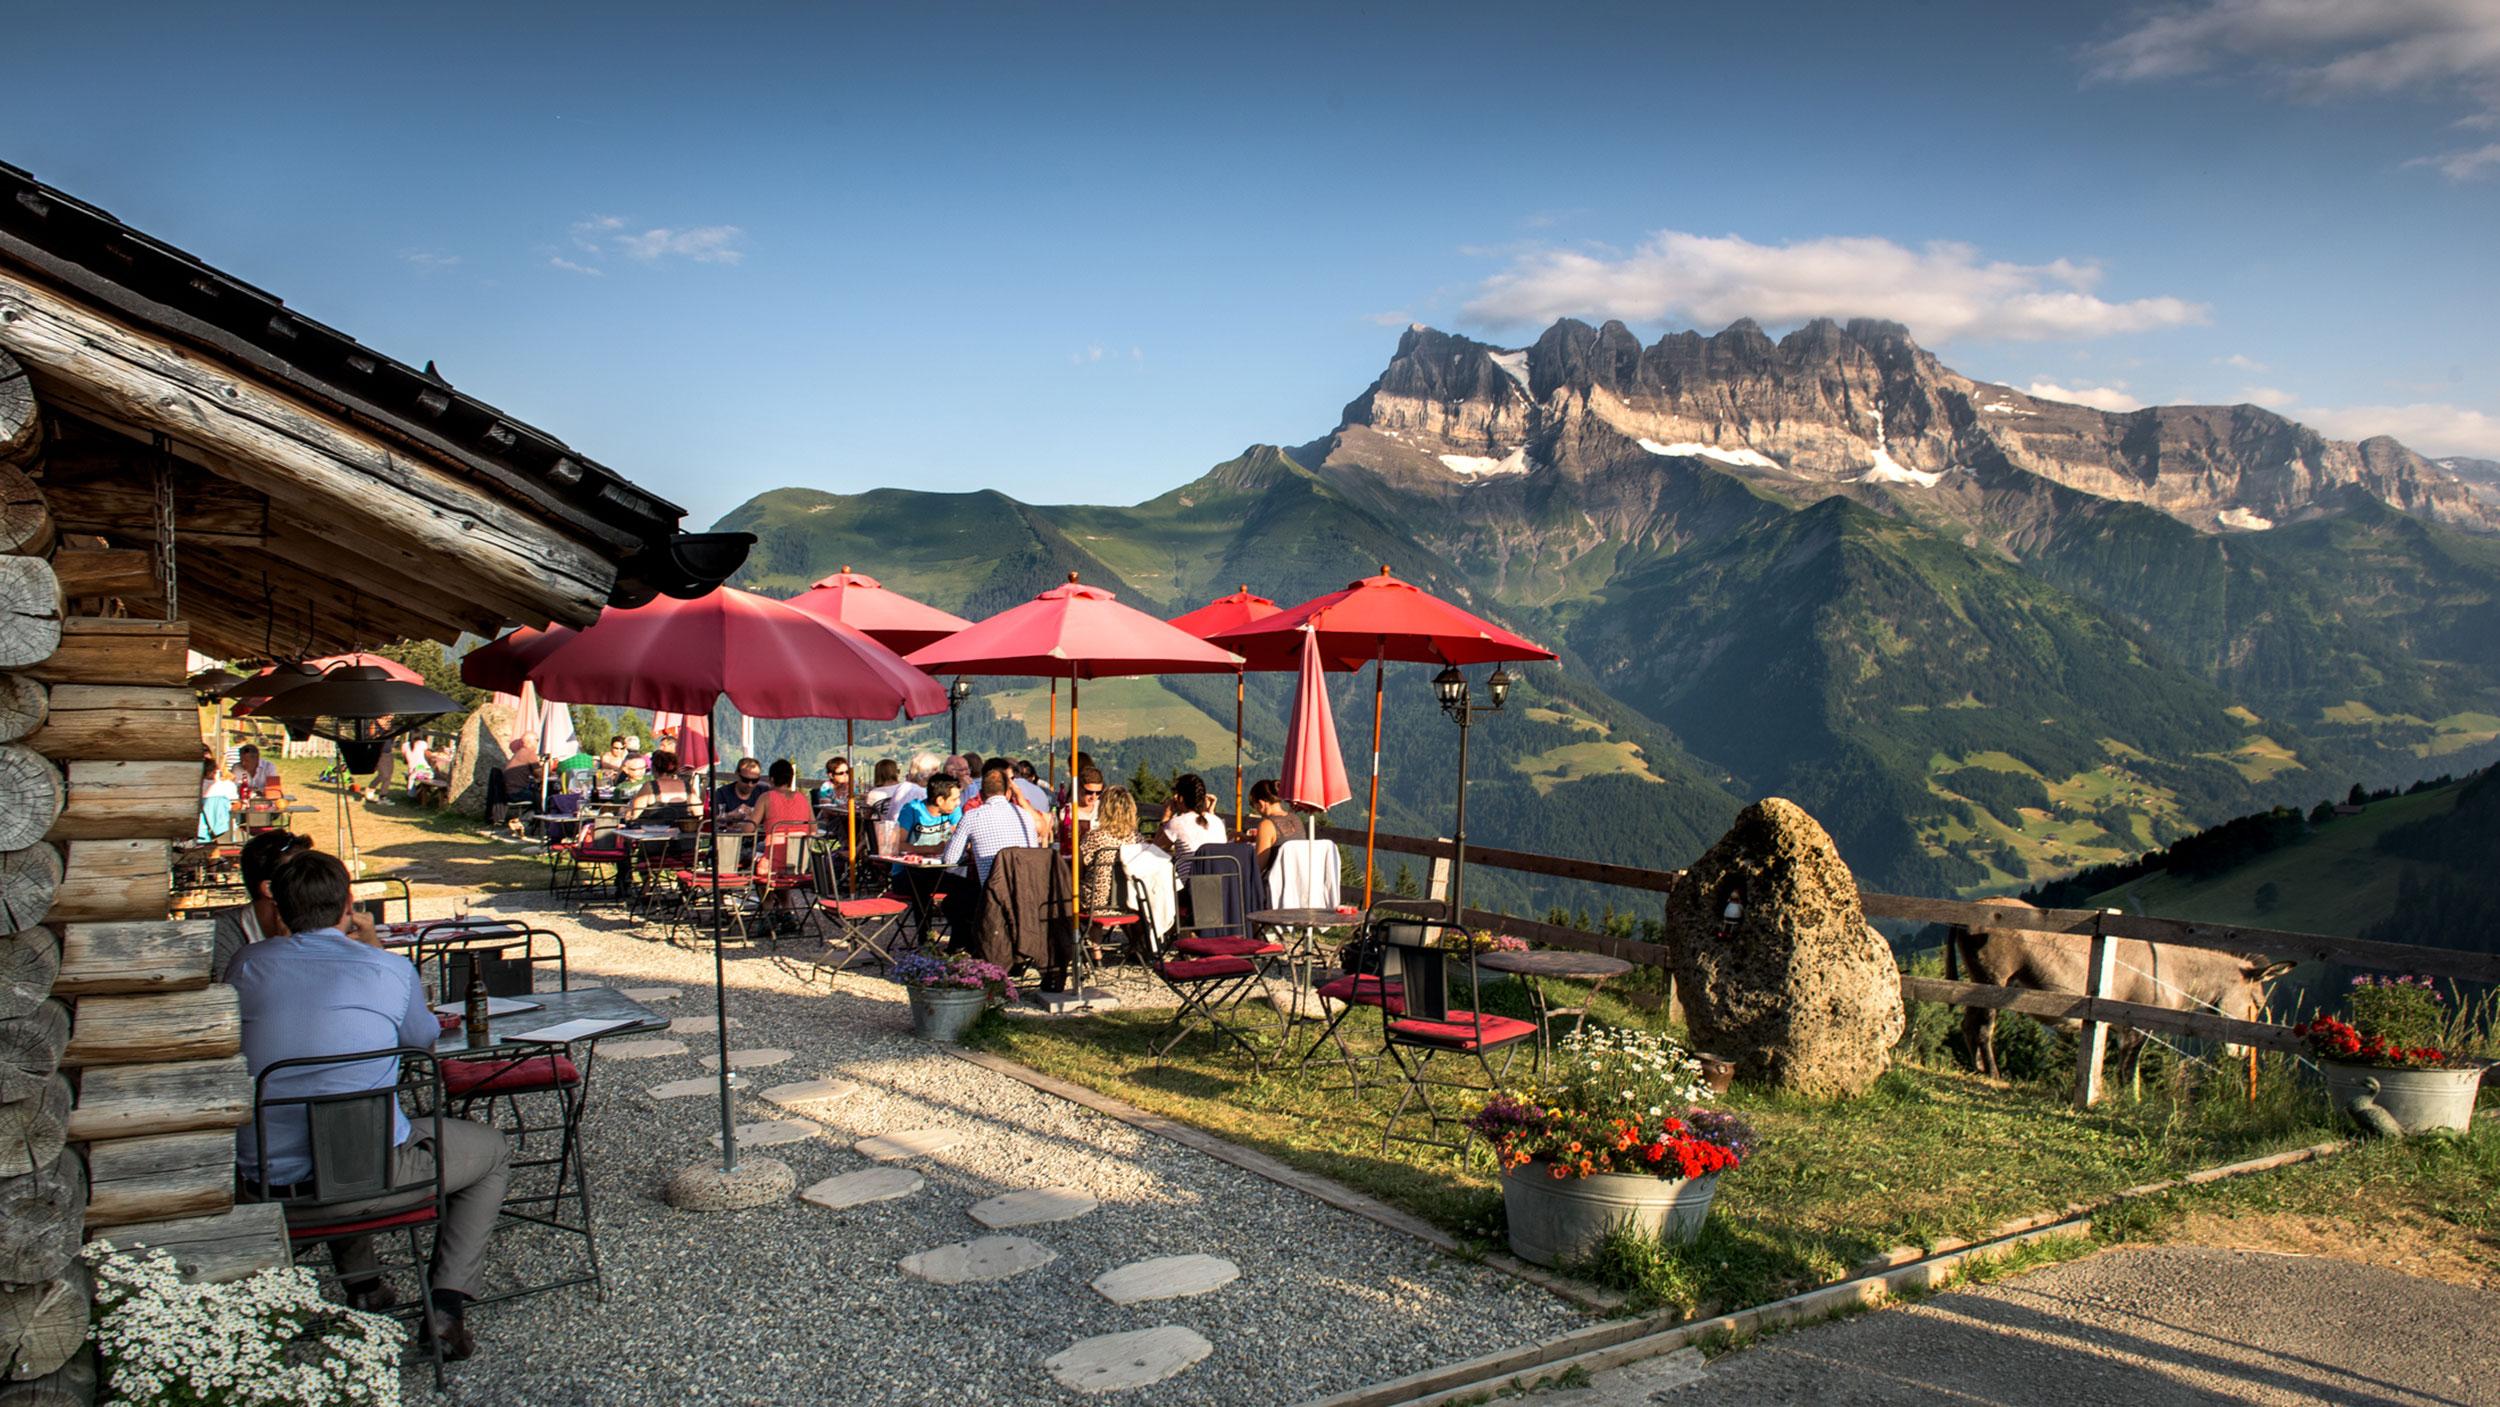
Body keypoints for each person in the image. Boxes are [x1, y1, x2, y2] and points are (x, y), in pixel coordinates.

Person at [228, 850, 511, 1358]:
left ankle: (365, 1287)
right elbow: (422, 1040)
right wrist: (377, 950)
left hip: (269, 1183)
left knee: (336, 1130)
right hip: (371, 1178)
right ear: (349, 904)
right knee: (490, 1151)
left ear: (279, 910)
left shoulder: (246, 965)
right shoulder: (387, 968)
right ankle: (446, 1305)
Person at [939, 770, 1048, 940]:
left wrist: (970, 851)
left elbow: (949, 860)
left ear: (981, 794)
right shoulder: (1025, 816)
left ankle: (967, 945)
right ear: (1008, 793)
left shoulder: (972, 817)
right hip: (1026, 892)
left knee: (952, 902)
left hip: (992, 895)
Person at [210, 830, 311, 982]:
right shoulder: (219, 934)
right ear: (270, 889)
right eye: (303, 878)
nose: (314, 885)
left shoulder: (320, 925)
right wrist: (283, 950)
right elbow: (234, 994)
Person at [1078, 784, 1137, 915]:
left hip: (1095, 904)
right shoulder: (1136, 839)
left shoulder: (1094, 837)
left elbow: (1079, 870)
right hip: (1128, 903)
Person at [1159, 772, 1227, 861]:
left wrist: (1166, 816)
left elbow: (1155, 850)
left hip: (1190, 870)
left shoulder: (1177, 823)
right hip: (1220, 870)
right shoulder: (1217, 822)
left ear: (1181, 798)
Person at [1248, 778, 1310, 865]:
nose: (1256, 810)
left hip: (1276, 873)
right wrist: (1250, 838)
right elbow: (1282, 840)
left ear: (1261, 803)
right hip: (1299, 871)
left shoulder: (1267, 825)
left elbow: (1258, 865)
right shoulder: (1296, 819)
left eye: (1253, 805)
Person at [895, 774, 962, 851]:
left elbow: (961, 837)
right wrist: (932, 849)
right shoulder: (911, 810)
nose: (958, 802)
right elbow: (898, 845)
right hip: (913, 858)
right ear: (940, 800)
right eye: (954, 800)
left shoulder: (953, 809)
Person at [754, 758, 817, 834]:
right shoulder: (803, 798)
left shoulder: (766, 797)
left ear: (772, 779)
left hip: (774, 841)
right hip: (800, 841)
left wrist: (747, 818)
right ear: (790, 779)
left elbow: (750, 828)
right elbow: (813, 828)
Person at [711, 757, 766, 832]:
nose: (750, 785)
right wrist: (730, 815)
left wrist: (755, 812)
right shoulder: (722, 793)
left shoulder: (764, 792)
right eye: (745, 780)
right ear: (737, 775)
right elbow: (711, 819)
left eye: (754, 781)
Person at [1058, 766, 1104, 850]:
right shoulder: (1067, 813)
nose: (1093, 797)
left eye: (1098, 793)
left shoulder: (1104, 809)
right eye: (1089, 792)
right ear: (1079, 788)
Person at [199, 756, 240, 843]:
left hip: (201, 832)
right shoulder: (228, 785)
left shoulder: (196, 788)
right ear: (216, 771)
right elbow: (236, 806)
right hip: (224, 830)